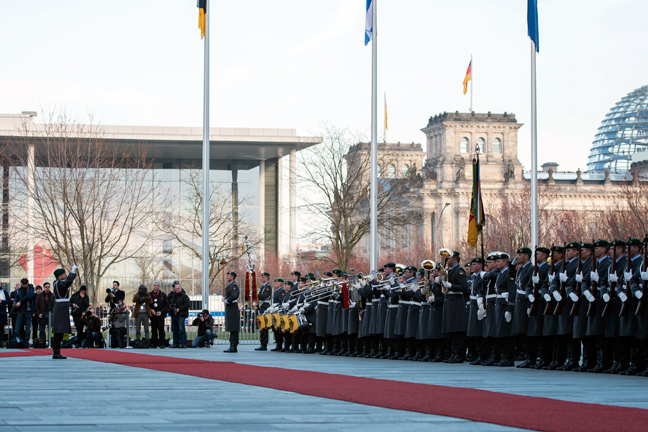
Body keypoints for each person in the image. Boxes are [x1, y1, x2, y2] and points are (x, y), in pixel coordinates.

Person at [51, 266, 77, 359]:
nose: (65, 275)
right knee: (59, 331)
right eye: (64, 274)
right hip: (61, 308)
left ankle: (57, 352)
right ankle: (56, 352)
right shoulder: (59, 283)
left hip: (62, 307)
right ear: (60, 275)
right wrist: (72, 272)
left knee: (60, 331)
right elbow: (67, 283)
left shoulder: (57, 283)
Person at [13, 278, 35, 346]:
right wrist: (15, 302)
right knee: (17, 327)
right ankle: (18, 340)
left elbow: (29, 296)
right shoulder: (20, 289)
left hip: (28, 310)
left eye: (24, 285)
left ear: (27, 284)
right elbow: (17, 297)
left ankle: (26, 342)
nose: (23, 286)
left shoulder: (31, 288)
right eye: (22, 284)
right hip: (20, 310)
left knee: (28, 328)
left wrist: (20, 302)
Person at [168, 281, 190, 348]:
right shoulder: (172, 295)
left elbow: (187, 304)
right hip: (174, 314)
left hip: (181, 314)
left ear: (180, 288)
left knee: (181, 329)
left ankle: (183, 343)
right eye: (175, 288)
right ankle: (176, 343)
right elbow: (168, 301)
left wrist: (179, 309)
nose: (176, 290)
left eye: (178, 288)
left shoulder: (184, 296)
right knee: (174, 329)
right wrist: (170, 306)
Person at [223, 271, 240, 353]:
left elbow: (234, 295)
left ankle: (234, 346)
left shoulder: (233, 285)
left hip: (232, 307)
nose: (227, 277)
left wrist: (227, 300)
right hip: (230, 307)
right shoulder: (230, 285)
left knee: (233, 327)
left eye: (229, 276)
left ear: (232, 277)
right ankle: (231, 345)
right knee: (231, 327)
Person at [255, 272, 272, 351]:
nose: (263, 278)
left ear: (268, 278)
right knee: (261, 326)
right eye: (262, 277)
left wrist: (256, 294)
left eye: (264, 277)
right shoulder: (263, 286)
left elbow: (264, 296)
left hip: (265, 307)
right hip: (262, 307)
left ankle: (264, 344)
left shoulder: (268, 287)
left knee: (264, 326)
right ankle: (262, 343)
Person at [149, 281, 168, 348]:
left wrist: (161, 311)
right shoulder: (150, 295)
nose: (156, 286)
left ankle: (162, 343)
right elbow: (147, 304)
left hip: (160, 315)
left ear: (159, 286)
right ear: (153, 286)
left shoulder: (163, 295)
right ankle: (154, 343)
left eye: (157, 285)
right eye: (155, 285)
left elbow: (166, 305)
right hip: (153, 315)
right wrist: (151, 310)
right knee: (153, 329)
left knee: (161, 329)